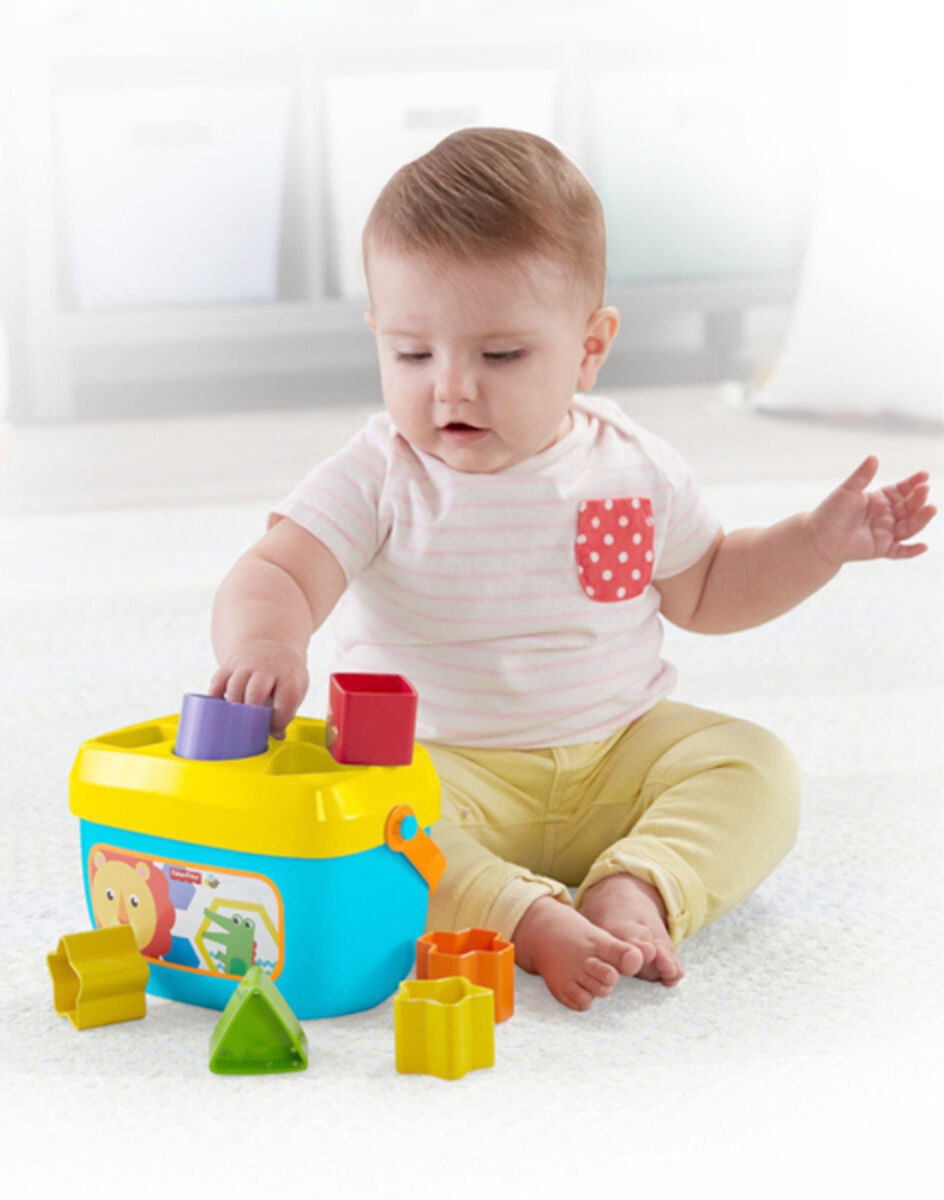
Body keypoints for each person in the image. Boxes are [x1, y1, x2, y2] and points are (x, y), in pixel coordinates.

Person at [207, 128, 936, 1011]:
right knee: (365, 829)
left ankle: (638, 883)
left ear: (590, 347)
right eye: (413, 354)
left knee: (759, 769)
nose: (451, 387)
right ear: (378, 337)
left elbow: (710, 584)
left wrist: (814, 546)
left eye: (500, 356)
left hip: (618, 756)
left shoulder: (632, 465)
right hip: (440, 771)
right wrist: (266, 642)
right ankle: (523, 915)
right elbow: (281, 570)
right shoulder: (379, 474)